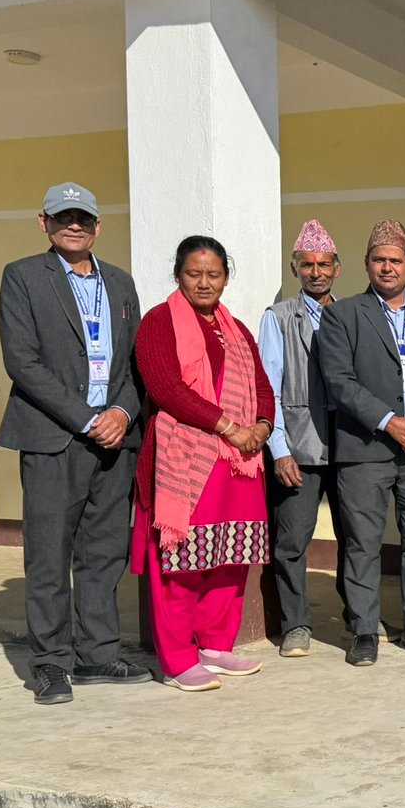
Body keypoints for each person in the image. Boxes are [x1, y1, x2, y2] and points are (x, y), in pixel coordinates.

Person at [0, 182, 150, 705]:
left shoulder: (121, 283)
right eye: (64, 217)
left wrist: (124, 412)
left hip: (115, 441)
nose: (75, 225)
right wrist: (88, 419)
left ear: (98, 225)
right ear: (44, 222)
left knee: (103, 554)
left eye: (84, 217)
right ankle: (50, 665)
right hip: (53, 440)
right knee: (47, 557)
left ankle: (97, 655)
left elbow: (135, 364)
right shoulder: (22, 278)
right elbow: (23, 363)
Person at [131, 236, 273, 692]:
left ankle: (215, 643)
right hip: (185, 460)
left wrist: (263, 427)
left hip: (238, 463)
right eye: (195, 273)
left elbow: (262, 385)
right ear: (178, 276)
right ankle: (176, 659)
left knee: (230, 554)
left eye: (214, 274)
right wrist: (230, 426)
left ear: (226, 278)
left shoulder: (235, 328)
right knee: (181, 559)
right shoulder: (159, 322)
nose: (205, 282)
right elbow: (165, 387)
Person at [318, 220, 405, 667]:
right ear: (367, 265)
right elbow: (339, 381)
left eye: (395, 260)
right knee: (362, 544)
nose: (387, 267)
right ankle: (365, 630)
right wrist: (391, 422)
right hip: (365, 449)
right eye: (379, 259)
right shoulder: (342, 315)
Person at [258, 220, 347, 658]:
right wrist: (279, 449)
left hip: (350, 446)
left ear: (337, 268)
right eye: (307, 265)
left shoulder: (352, 314)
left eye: (324, 264)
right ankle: (296, 624)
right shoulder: (278, 319)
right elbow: (269, 387)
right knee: (292, 540)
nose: (316, 272)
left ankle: (358, 615)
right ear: (295, 269)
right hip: (300, 444)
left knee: (357, 537)